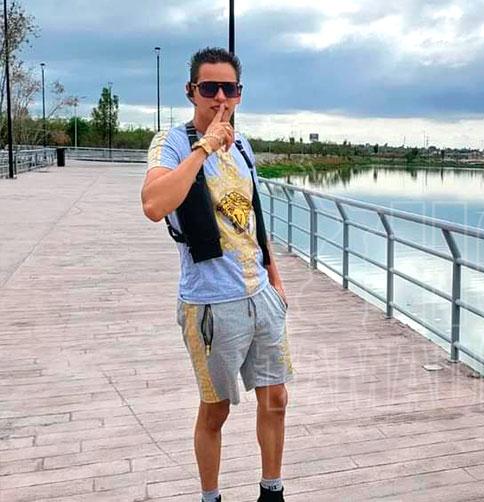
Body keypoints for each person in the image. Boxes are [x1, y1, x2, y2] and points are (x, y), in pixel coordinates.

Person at [140, 47, 293, 502]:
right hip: (211, 302)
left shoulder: (243, 146)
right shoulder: (171, 142)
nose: (220, 98)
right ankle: (211, 497)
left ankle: (271, 491)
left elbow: (254, 218)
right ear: (191, 91)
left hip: (260, 295)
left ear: (240, 94)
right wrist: (204, 145)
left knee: (276, 400)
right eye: (210, 88)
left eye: (229, 89)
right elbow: (154, 204)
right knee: (216, 409)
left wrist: (275, 278)